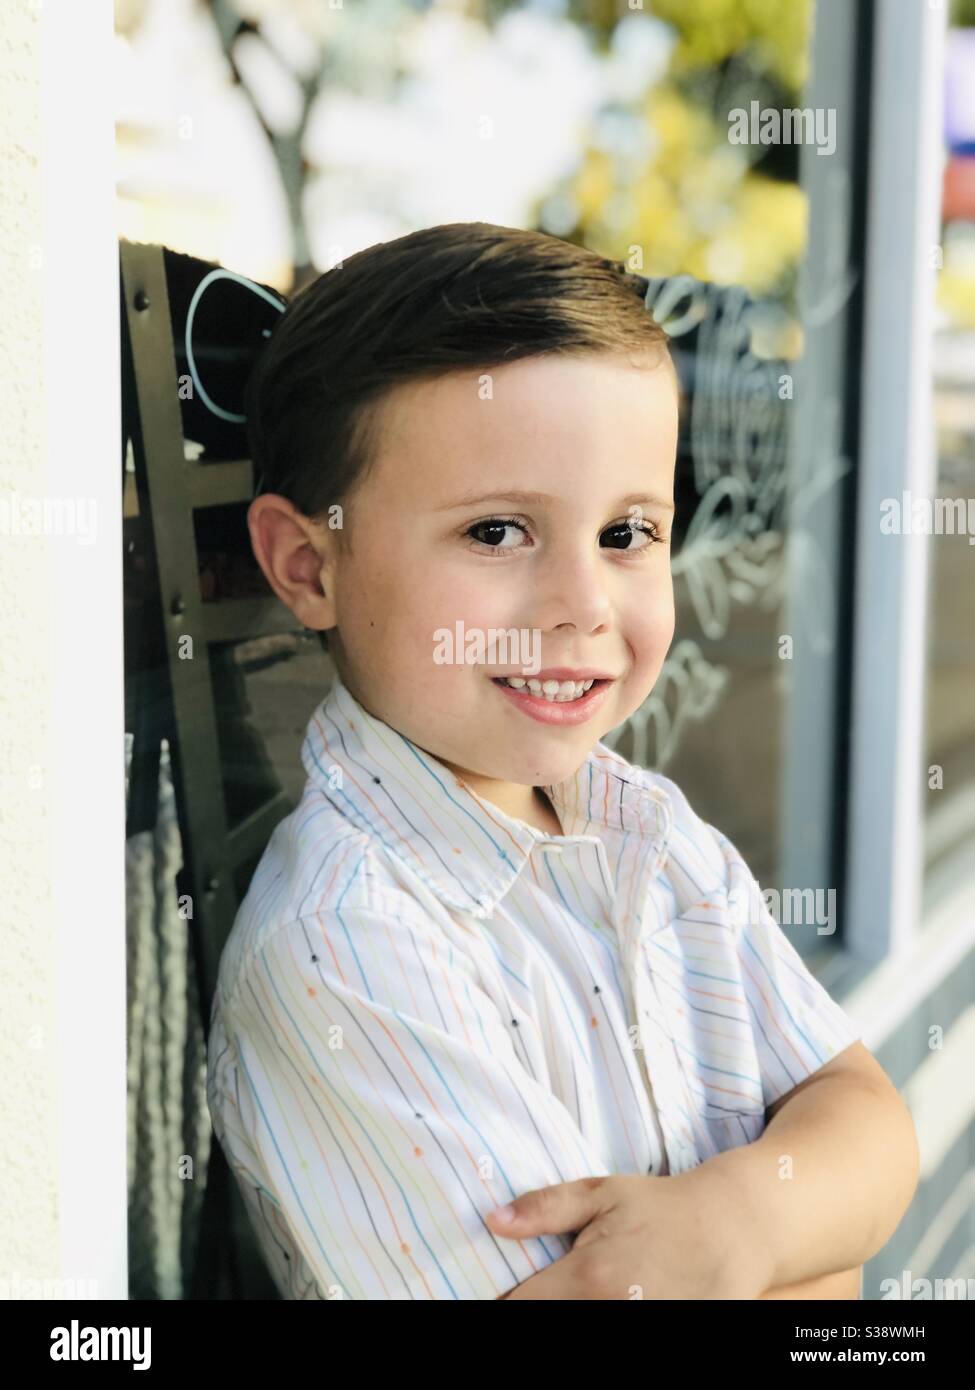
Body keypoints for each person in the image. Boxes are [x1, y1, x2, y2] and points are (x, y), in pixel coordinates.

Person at [205, 222, 919, 1300]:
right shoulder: (349, 945)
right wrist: (812, 1245)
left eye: (628, 533)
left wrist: (736, 1226)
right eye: (497, 534)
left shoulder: (648, 829)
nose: (584, 607)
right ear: (310, 566)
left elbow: (868, 1118)